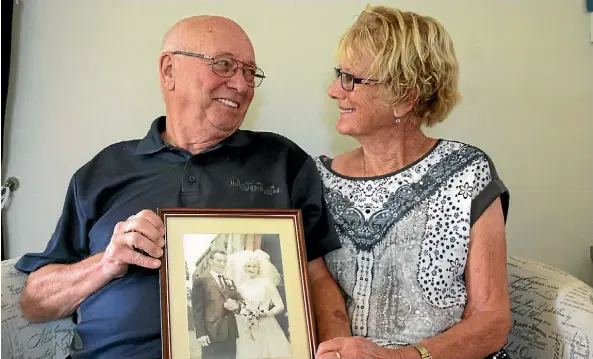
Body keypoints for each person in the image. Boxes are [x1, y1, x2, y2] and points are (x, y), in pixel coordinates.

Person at [14, 15, 351, 359]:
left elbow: (317, 278)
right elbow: (34, 301)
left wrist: (338, 351)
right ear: (169, 70)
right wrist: (106, 263)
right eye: (224, 65)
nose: (241, 84)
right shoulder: (105, 170)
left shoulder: (282, 161)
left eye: (250, 72)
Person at [314, 6, 511, 359]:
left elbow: (492, 320)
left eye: (350, 79)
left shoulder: (466, 172)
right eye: (338, 75)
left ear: (404, 97)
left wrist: (399, 358)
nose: (333, 90)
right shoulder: (316, 178)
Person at [226, 249, 292, 359]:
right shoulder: (241, 288)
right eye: (248, 266)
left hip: (267, 325)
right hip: (248, 327)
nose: (250, 269)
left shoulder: (266, 283)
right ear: (244, 268)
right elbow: (242, 308)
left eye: (253, 266)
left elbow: (280, 306)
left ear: (258, 268)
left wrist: (266, 314)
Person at [191, 250, 243, 359]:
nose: (222, 264)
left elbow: (240, 299)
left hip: (230, 332)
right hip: (211, 333)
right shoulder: (201, 281)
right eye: (219, 260)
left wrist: (237, 306)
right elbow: (197, 310)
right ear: (210, 261)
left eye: (224, 261)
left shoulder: (229, 282)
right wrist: (200, 334)